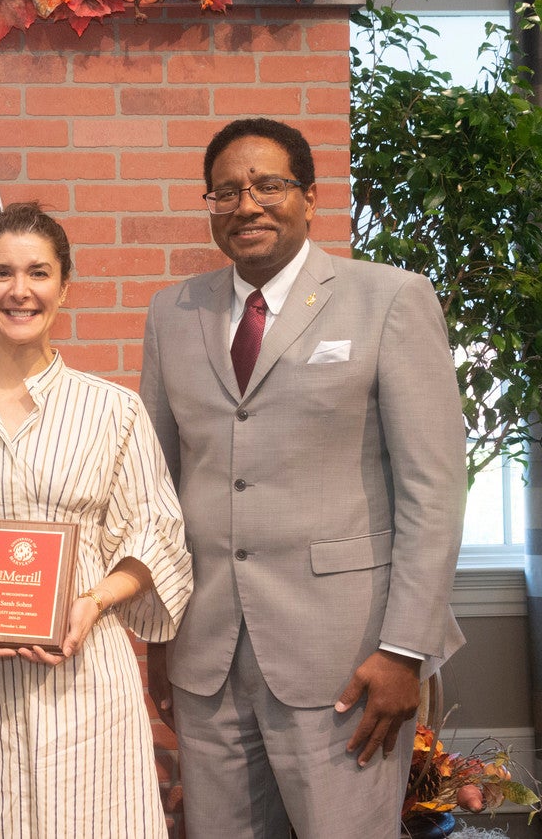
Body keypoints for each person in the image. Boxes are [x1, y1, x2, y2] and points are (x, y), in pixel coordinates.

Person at [139, 118, 467, 839]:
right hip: (207, 656)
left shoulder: (389, 299)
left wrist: (405, 648)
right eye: (226, 190)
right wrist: (158, 636)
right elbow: (155, 488)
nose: (246, 204)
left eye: (267, 185)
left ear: (311, 197)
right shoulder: (173, 312)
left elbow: (433, 491)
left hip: (347, 660)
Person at [0, 201, 193, 838]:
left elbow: (155, 533)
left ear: (64, 284)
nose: (20, 291)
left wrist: (93, 600)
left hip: (83, 678)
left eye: (38, 273)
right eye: (2, 273)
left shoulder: (114, 411)